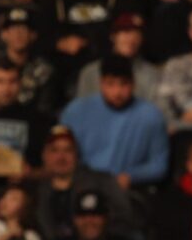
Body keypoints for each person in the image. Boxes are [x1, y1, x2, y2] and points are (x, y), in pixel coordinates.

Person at [60, 55, 169, 188]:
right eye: (110, 84)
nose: (117, 92)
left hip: (127, 190)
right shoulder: (76, 111)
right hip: (81, 183)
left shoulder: (151, 115)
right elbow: (59, 154)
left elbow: (159, 165)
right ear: (101, 83)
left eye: (124, 84)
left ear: (133, 84)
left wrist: (132, 176)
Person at [75, 13, 161, 104]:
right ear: (113, 36)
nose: (131, 39)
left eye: (137, 34)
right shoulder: (90, 72)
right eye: (126, 32)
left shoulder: (152, 74)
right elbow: (82, 111)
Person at [0, 7, 56, 114]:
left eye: (23, 29)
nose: (18, 34)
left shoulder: (43, 69)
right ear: (3, 35)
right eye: (13, 29)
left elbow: (44, 107)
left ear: (33, 35)